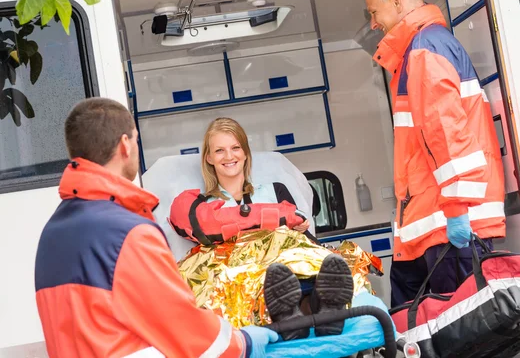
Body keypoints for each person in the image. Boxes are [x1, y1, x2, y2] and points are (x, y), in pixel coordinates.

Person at [34, 98, 277, 358]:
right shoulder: (127, 233)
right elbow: (183, 328)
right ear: (126, 145)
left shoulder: (52, 234)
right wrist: (245, 343)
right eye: (136, 140)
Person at [365, 0, 506, 307]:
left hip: (449, 228)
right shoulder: (426, 48)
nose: (373, 23)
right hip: (437, 226)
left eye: (374, 12)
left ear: (396, 1)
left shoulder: (424, 50)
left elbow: (446, 135)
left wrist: (457, 210)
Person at [178, 116, 319, 244]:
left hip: (279, 269)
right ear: (209, 158)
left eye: (235, 148)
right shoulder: (202, 208)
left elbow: (307, 243)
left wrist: (299, 230)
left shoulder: (276, 192)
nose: (228, 156)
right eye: (219, 150)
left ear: (245, 152)